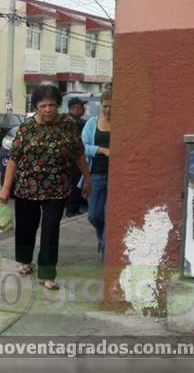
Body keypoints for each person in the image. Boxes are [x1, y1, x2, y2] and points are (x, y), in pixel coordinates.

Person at [0, 85, 92, 291]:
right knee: (26, 227)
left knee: (50, 230)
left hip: (57, 188)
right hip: (26, 187)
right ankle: (25, 261)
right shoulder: (27, 127)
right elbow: (13, 158)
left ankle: (48, 274)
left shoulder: (68, 125)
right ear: (36, 107)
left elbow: (78, 153)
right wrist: (6, 187)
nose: (48, 109)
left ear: (58, 105)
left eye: (52, 105)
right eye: (43, 106)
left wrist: (87, 178)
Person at [81, 89, 112, 261]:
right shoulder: (92, 123)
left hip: (116, 178)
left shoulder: (122, 124)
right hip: (96, 175)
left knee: (110, 215)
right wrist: (102, 150)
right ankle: (101, 239)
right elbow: (82, 146)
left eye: (112, 107)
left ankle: (106, 249)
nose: (108, 110)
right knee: (95, 215)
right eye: (105, 106)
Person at [66, 98, 87, 217]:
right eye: (81, 107)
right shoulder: (72, 122)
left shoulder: (77, 121)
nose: (83, 110)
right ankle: (71, 210)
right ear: (74, 108)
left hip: (74, 158)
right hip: (74, 159)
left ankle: (73, 208)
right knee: (75, 184)